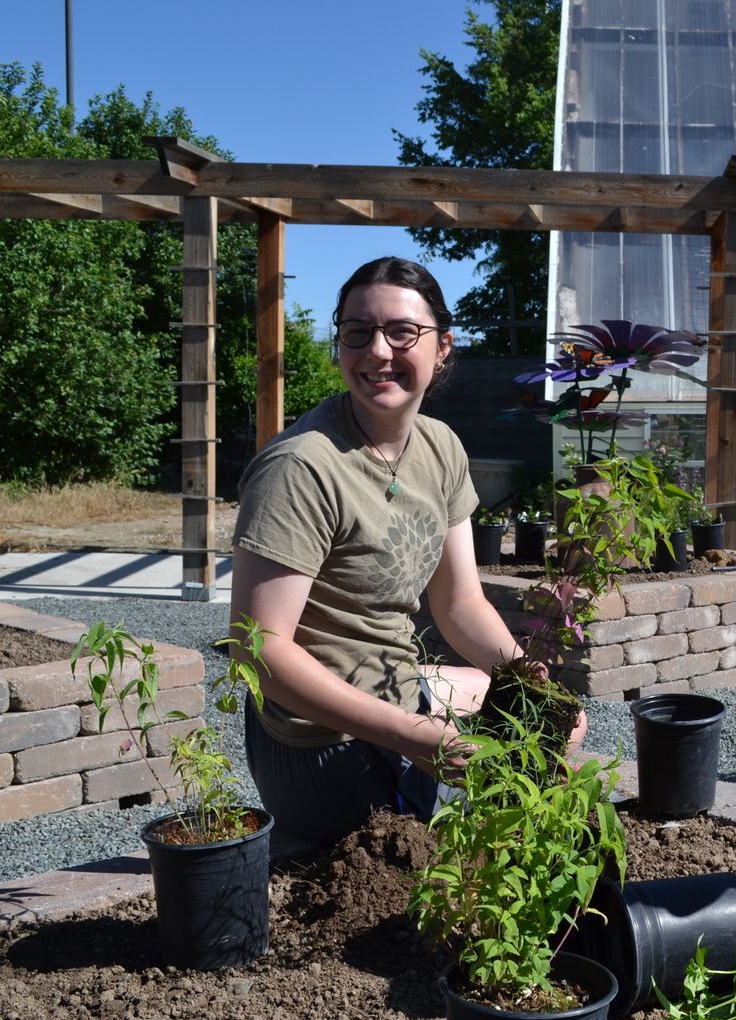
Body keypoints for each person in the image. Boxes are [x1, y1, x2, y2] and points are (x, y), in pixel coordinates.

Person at [229, 256, 580, 851]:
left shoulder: (440, 447)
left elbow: (460, 602)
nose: (378, 352)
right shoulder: (301, 468)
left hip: (395, 689)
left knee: (517, 711)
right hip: (318, 738)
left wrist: (530, 681)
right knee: (478, 835)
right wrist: (418, 738)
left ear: (443, 347)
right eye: (357, 332)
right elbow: (257, 650)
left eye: (402, 332)